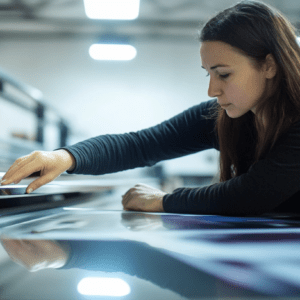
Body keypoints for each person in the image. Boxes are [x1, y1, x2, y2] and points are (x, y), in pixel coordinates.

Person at [2, 0, 300, 216]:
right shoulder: (225, 117)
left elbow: (252, 195)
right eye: (207, 74)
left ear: (269, 66)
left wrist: (164, 201)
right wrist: (65, 156)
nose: (212, 89)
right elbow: (142, 144)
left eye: (223, 74)